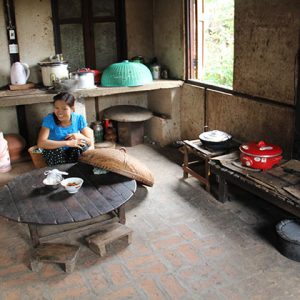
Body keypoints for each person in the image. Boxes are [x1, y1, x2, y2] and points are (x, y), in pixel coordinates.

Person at [37, 92, 94, 166]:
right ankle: (60, 171)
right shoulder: (49, 119)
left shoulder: (79, 118)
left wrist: (79, 136)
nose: (60, 112)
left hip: (72, 153)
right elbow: (41, 143)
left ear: (72, 109)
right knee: (54, 150)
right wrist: (67, 143)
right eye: (56, 108)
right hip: (56, 154)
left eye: (64, 109)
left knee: (81, 144)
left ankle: (76, 168)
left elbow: (89, 142)